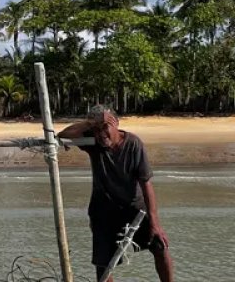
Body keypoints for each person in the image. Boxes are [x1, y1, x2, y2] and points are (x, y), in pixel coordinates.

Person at [58, 105, 174, 282]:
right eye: (96, 129)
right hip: (103, 210)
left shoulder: (133, 144)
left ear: (116, 124)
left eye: (105, 127)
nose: (101, 133)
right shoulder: (94, 143)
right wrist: (90, 124)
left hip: (134, 207)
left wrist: (154, 223)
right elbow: (63, 134)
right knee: (103, 263)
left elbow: (146, 184)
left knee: (160, 246)